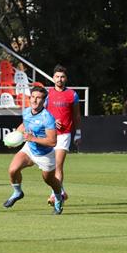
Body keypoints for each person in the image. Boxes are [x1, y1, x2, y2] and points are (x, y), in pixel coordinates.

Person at [3, 86, 64, 215]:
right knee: (13, 170)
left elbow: (52, 141)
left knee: (49, 180)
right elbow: (24, 125)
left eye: (39, 98)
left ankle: (58, 198)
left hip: (45, 155)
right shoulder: (26, 112)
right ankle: (17, 192)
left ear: (44, 100)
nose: (35, 100)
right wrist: (13, 138)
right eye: (33, 97)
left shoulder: (47, 118)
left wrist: (32, 138)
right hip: (29, 149)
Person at [45, 64, 81, 206]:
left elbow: (77, 115)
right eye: (57, 76)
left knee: (58, 166)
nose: (60, 79)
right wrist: (52, 121)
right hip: (49, 135)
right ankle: (61, 192)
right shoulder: (47, 94)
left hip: (64, 135)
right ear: (53, 78)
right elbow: (43, 114)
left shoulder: (72, 95)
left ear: (66, 79)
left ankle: (55, 196)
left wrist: (78, 133)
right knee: (48, 168)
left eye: (62, 77)